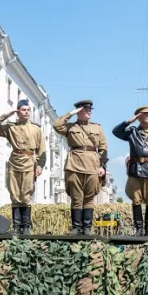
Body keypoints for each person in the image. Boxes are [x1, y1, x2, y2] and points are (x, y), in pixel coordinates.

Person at [0, 99, 46, 235]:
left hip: (29, 162)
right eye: (23, 110)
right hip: (14, 161)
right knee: (14, 194)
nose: (26, 112)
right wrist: (7, 115)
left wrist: (40, 165)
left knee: (26, 194)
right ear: (18, 112)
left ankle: (26, 227)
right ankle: (16, 226)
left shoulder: (36, 129)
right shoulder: (10, 127)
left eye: (28, 110)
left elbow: (42, 149)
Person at [112, 105, 148, 237]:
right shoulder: (132, 132)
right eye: (145, 114)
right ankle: (138, 229)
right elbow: (116, 132)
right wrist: (129, 121)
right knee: (136, 200)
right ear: (138, 116)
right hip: (136, 170)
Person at [52, 100, 108, 235]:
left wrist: (102, 166)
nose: (89, 111)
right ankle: (76, 227)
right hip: (74, 164)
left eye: (90, 109)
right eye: (85, 109)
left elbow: (103, 148)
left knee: (89, 198)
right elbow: (56, 125)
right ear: (78, 111)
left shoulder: (97, 128)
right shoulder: (70, 127)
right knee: (76, 198)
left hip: (92, 164)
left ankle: (87, 228)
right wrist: (71, 113)